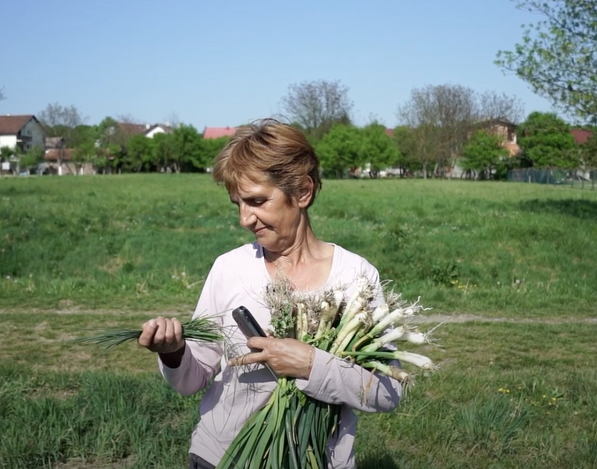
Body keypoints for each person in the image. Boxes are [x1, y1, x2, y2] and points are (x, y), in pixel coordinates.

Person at [138, 118, 402, 469]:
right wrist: (174, 353)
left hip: (315, 460)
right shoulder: (229, 268)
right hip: (222, 457)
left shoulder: (356, 276)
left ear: (303, 192)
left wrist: (311, 365)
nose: (244, 219)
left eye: (257, 201)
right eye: (238, 203)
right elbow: (192, 379)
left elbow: (387, 391)